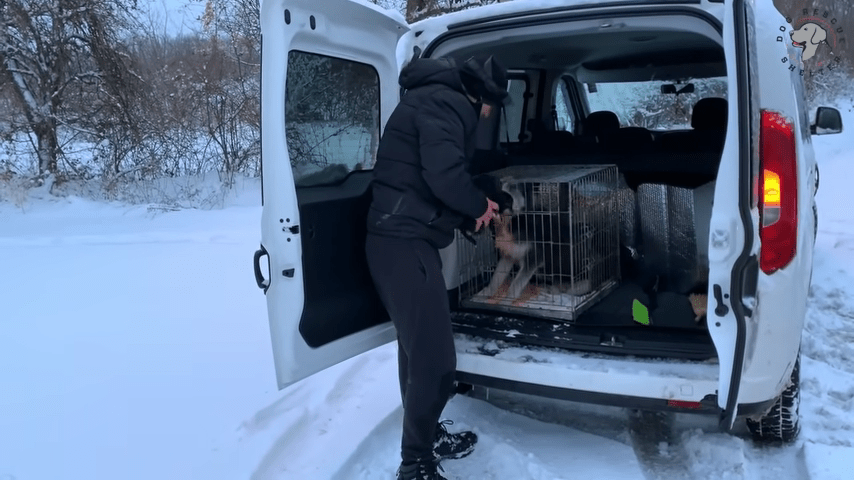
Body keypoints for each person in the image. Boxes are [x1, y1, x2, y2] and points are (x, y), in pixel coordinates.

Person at [364, 54, 509, 480]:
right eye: (489, 107)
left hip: (401, 238)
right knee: (436, 362)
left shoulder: (430, 98)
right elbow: (445, 176)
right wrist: (479, 204)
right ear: (480, 95)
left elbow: (429, 180)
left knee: (415, 351)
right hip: (403, 242)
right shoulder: (445, 104)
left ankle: (425, 441)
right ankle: (415, 466)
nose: (486, 116)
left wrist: (473, 208)